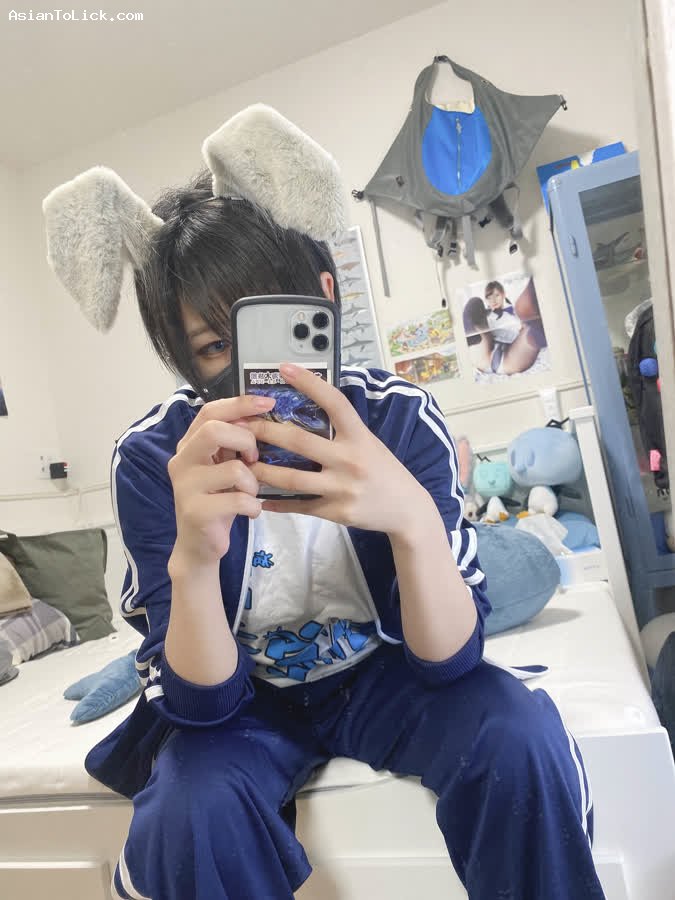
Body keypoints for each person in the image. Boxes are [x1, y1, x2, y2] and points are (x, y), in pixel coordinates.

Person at [42, 105, 604, 900]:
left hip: (387, 674)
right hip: (242, 705)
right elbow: (200, 706)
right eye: (213, 346)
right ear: (181, 359)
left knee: (517, 738)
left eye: (275, 324)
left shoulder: (398, 416)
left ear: (325, 298)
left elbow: (449, 662)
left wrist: (410, 522)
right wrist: (195, 561)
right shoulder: (156, 457)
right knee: (187, 811)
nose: (255, 371)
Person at [463, 279, 546, 376]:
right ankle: (469, 333)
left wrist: (522, 323)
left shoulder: (513, 310)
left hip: (510, 357)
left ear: (503, 294)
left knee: (530, 324)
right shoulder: (487, 315)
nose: (493, 300)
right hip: (485, 357)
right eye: (489, 297)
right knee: (475, 302)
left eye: (497, 295)